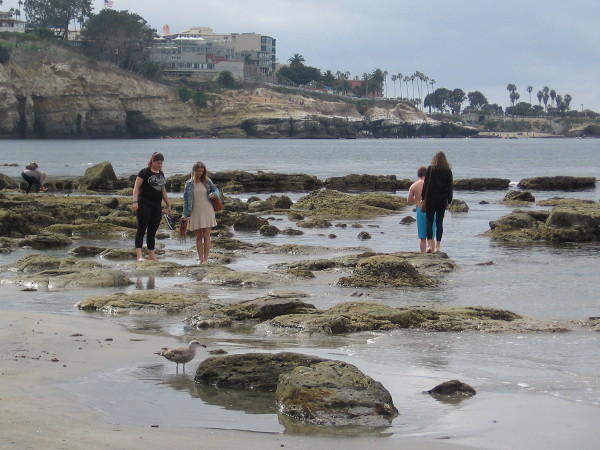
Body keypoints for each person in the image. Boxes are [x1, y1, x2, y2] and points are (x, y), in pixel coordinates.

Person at [132, 152, 172, 262]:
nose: (160, 165)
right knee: (141, 228)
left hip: (156, 205)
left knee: (152, 231)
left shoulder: (161, 174)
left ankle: (152, 255)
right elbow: (136, 188)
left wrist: (168, 204)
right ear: (153, 162)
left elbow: (163, 190)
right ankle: (139, 255)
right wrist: (135, 202)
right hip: (144, 203)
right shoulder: (144, 172)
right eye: (158, 163)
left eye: (161, 163)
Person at [182, 161, 220, 264]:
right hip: (195, 211)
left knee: (206, 235)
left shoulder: (207, 181)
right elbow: (185, 200)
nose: (200, 173)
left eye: (202, 171)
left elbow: (217, 190)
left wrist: (214, 194)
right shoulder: (188, 184)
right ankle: (200, 259)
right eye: (198, 171)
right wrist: (184, 215)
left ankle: (206, 259)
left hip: (207, 209)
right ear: (194, 171)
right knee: (198, 236)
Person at [422, 151, 453, 253]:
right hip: (442, 199)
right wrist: (449, 201)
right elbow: (449, 187)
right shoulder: (448, 171)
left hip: (430, 199)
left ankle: (430, 245)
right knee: (439, 222)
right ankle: (438, 247)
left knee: (429, 222)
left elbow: (425, 185)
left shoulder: (430, 169)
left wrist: (423, 199)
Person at [407, 166, 436, 253]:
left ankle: (423, 254)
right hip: (431, 209)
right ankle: (431, 249)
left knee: (422, 236)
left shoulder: (414, 186)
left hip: (420, 209)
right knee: (431, 234)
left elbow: (409, 201)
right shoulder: (432, 184)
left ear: (418, 175)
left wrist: (417, 198)